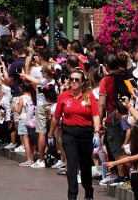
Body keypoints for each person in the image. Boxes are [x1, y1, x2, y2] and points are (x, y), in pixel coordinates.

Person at [54, 67, 101, 200]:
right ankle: (72, 195)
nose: (73, 82)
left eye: (77, 80)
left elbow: (96, 115)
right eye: (71, 79)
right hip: (69, 133)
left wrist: (96, 133)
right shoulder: (64, 95)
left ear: (82, 82)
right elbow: (56, 116)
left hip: (85, 133)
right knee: (72, 164)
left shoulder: (89, 96)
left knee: (85, 165)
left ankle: (88, 191)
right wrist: (51, 133)